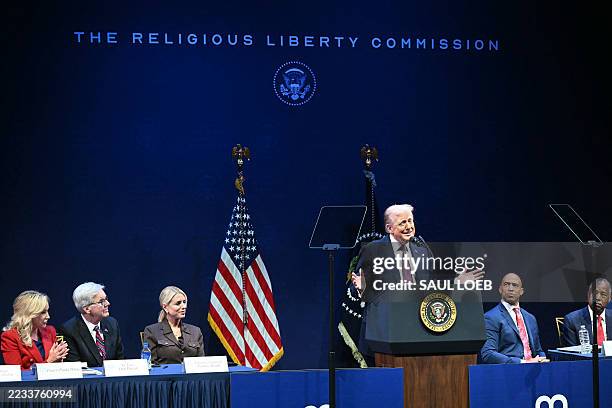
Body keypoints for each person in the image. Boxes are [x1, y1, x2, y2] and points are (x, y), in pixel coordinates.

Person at [480, 273, 546, 364]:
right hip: (509, 372)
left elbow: (538, 350)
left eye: (515, 285)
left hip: (533, 370)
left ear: (521, 291)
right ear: (500, 289)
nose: (510, 289)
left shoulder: (530, 318)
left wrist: (543, 359)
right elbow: (488, 353)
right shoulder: (491, 317)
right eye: (506, 284)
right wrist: (522, 362)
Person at [58, 282, 124, 367]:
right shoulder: (69, 330)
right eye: (101, 302)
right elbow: (75, 367)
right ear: (87, 309)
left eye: (106, 299)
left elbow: (120, 359)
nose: (108, 303)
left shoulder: (112, 324)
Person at [1, 290, 69, 369]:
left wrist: (59, 360)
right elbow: (17, 374)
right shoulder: (10, 337)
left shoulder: (50, 331)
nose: (48, 316)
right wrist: (49, 362)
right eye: (43, 312)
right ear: (29, 314)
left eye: (47, 311)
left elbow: (56, 365)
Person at [143, 286, 204, 364]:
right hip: (165, 376)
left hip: (191, 376)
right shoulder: (152, 331)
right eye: (178, 303)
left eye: (184, 302)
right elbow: (151, 364)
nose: (184, 306)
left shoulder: (196, 331)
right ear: (165, 307)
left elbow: (202, 364)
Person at [561, 277, 612, 347]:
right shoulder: (572, 320)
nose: (598, 298)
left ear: (609, 299)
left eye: (603, 295)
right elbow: (571, 354)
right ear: (588, 295)